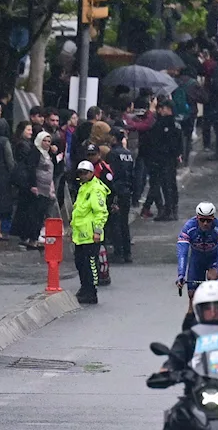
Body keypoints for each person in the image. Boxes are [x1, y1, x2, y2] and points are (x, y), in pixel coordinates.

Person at [177, 201, 218, 325]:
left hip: (213, 258)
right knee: (192, 293)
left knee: (213, 278)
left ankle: (216, 312)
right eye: (202, 220)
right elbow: (182, 253)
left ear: (213, 218)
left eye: (209, 220)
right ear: (197, 218)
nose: (205, 223)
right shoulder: (189, 227)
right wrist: (181, 275)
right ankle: (191, 317)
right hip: (197, 259)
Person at [71, 160, 110, 304]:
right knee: (80, 263)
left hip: (91, 234)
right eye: (80, 173)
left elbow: (101, 212)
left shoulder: (96, 189)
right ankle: (84, 287)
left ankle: (91, 291)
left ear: (92, 173)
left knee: (90, 264)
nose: (82, 175)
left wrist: (97, 231)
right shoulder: (83, 187)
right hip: (80, 234)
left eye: (85, 173)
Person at [105, 129, 136, 262]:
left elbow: (111, 174)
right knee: (124, 222)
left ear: (113, 138)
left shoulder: (112, 154)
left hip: (116, 190)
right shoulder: (128, 154)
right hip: (127, 190)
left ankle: (118, 252)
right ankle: (127, 252)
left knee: (115, 222)